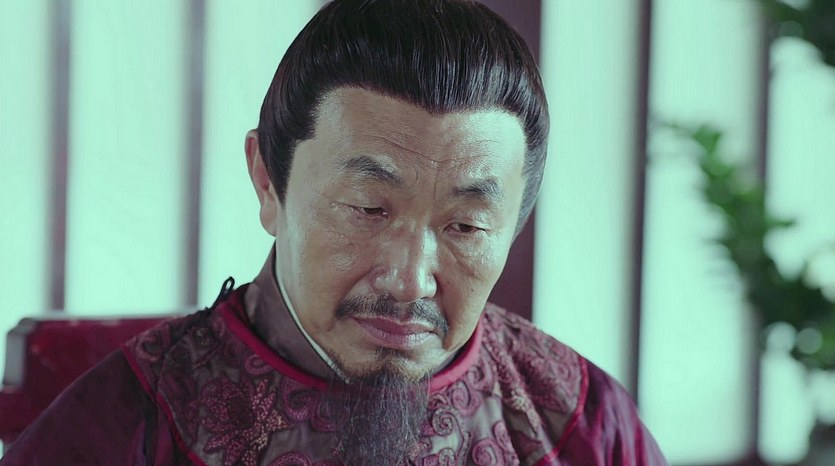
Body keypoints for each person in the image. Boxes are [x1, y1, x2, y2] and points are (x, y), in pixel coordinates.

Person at [1, 0, 667, 465]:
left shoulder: (579, 421)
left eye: (465, 225)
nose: (409, 279)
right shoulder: (126, 426)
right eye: (368, 209)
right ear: (268, 182)